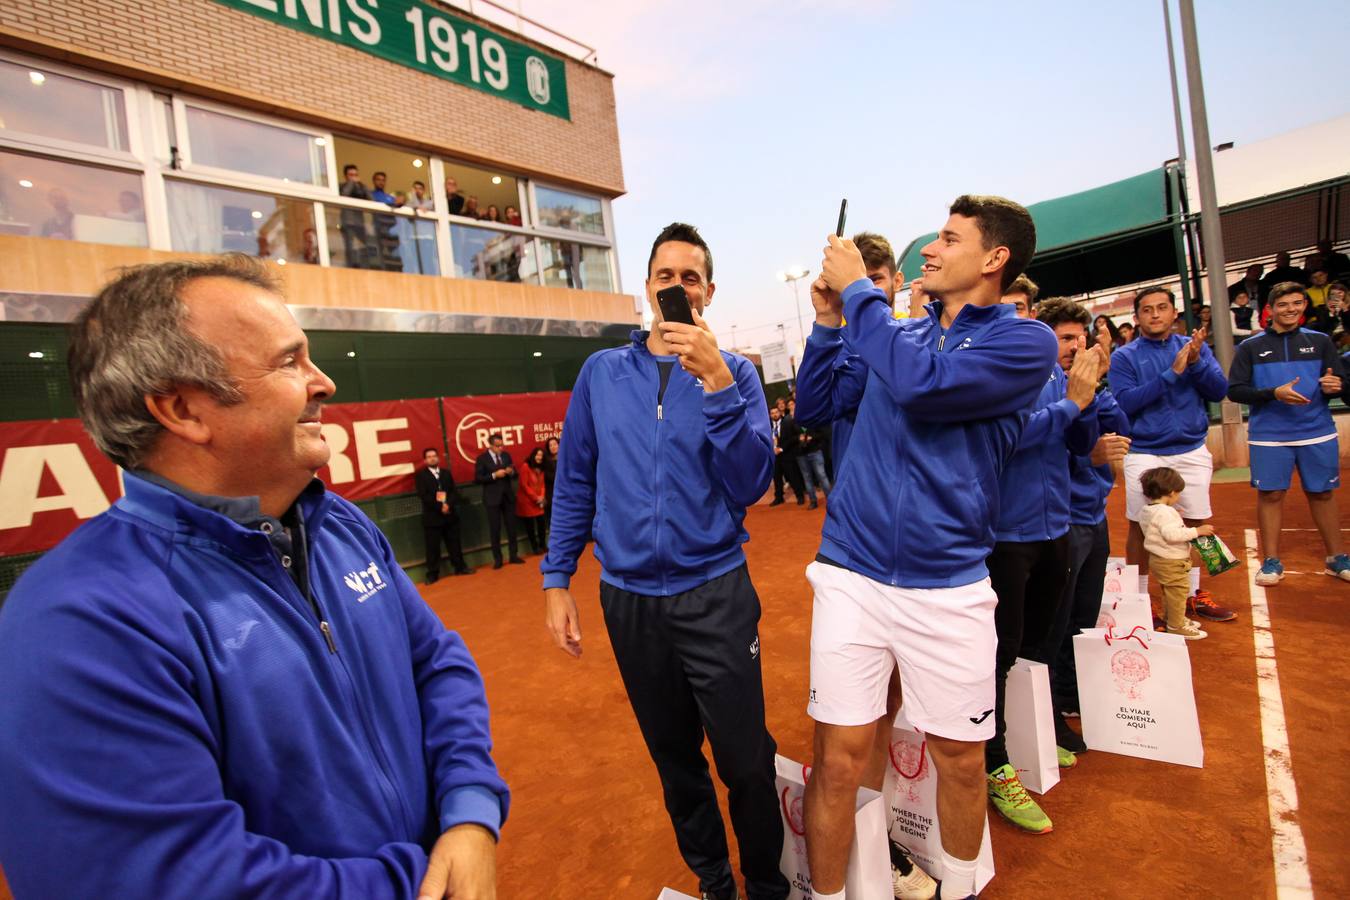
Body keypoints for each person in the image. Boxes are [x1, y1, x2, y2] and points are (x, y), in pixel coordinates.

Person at [0, 255, 508, 898]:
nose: (322, 382)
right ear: (183, 409)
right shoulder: (78, 620)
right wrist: (425, 883)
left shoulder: (340, 525)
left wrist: (468, 812)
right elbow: (163, 882)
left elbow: (436, 663)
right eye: (289, 362)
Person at [797, 196, 1056, 900]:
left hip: (948, 585)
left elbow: (921, 391)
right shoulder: (898, 338)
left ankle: (962, 889)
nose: (930, 252)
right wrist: (828, 323)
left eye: (947, 238)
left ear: (995, 259)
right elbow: (816, 404)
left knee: (961, 762)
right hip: (852, 572)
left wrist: (858, 293)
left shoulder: (1024, 343)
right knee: (838, 760)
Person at [543, 223, 787, 900]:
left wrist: (715, 386)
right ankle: (715, 881)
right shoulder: (601, 374)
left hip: (715, 593)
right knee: (675, 759)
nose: (676, 287)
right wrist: (557, 578)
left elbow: (751, 484)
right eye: (664, 275)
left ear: (707, 291)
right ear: (645, 288)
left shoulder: (735, 372)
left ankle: (766, 881)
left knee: (745, 761)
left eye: (689, 277)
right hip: (629, 602)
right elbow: (576, 479)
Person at [984, 298, 1106, 834]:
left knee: (1038, 643)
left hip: (1056, 527)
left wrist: (1087, 394)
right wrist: (1071, 404)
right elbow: (1000, 443)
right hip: (1004, 536)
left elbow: (1081, 445)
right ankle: (994, 762)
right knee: (998, 652)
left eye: (1023, 309)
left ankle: (1037, 730)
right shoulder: (993, 369)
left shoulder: (1057, 377)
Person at [1109, 286, 1235, 625]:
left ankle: (1192, 596)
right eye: (1147, 310)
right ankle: (1139, 599)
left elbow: (1219, 390)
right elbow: (1125, 402)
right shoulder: (1124, 356)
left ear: (1173, 314)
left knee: (1194, 524)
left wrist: (1194, 365)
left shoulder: (1194, 348)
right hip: (1145, 452)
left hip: (1191, 449)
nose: (1154, 314)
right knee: (1140, 526)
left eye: (1161, 307)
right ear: (1136, 318)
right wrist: (1172, 374)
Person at [1226, 283, 1350, 584]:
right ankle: (1271, 562)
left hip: (1317, 431)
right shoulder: (1249, 347)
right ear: (1270, 310)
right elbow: (1236, 391)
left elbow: (1341, 384)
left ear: (1304, 306)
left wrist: (1339, 387)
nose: (1291, 309)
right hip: (1269, 434)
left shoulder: (1321, 342)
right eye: (1284, 304)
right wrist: (1274, 393)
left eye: (1297, 303)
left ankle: (1336, 558)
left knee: (1322, 493)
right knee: (1271, 494)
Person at [797, 231, 902, 482]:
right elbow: (810, 413)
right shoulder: (837, 340)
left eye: (874, 279)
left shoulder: (919, 334)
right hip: (857, 495)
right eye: (856, 280)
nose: (864, 288)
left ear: (897, 281)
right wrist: (825, 322)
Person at [1138, 467, 1213, 639]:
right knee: (1178, 593)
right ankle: (1176, 626)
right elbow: (1171, 535)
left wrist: (1174, 517)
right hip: (1172, 561)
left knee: (1169, 592)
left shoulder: (1148, 509)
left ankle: (1170, 618)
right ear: (1171, 493)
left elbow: (1159, 527)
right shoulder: (1166, 512)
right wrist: (1197, 531)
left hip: (1158, 560)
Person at [416, 446, 474, 582]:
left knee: (455, 543)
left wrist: (448, 505)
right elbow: (423, 495)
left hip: (450, 516)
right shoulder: (421, 476)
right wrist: (439, 507)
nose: (432, 458)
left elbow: (453, 491)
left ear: (438, 458)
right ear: (425, 460)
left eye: (434, 456)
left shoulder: (446, 473)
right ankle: (432, 574)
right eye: (429, 456)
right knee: (432, 547)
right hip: (432, 517)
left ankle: (460, 567)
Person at [475, 433, 523, 568]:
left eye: (502, 445)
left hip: (508, 497)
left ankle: (513, 555)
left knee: (511, 527)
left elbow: (515, 474)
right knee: (495, 529)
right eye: (497, 446)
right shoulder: (482, 459)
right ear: (490, 445)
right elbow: (478, 478)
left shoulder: (506, 455)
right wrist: (494, 475)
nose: (500, 448)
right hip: (492, 498)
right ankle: (498, 559)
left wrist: (511, 472)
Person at [768, 404, 805, 506]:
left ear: (779, 413)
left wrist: (781, 448)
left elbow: (794, 437)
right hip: (775, 457)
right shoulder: (768, 426)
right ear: (770, 415)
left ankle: (800, 496)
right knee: (777, 478)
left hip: (787, 455)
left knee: (793, 477)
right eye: (772, 413)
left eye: (776, 412)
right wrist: (773, 450)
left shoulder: (788, 422)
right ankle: (779, 497)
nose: (774, 415)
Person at [339, 163, 372, 268]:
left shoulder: (361, 187)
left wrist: (361, 185)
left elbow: (371, 200)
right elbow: (344, 195)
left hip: (360, 222)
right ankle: (351, 265)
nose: (353, 177)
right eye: (351, 175)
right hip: (348, 221)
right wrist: (351, 183)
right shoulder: (342, 186)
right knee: (350, 246)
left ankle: (365, 266)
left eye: (355, 175)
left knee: (364, 246)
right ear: (345, 176)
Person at [516, 446, 548, 554]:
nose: (539, 457)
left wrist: (542, 497)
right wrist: (536, 498)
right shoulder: (525, 466)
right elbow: (524, 485)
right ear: (533, 455)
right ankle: (535, 548)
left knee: (541, 524)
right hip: (527, 502)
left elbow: (543, 484)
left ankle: (543, 545)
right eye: (538, 455)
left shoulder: (542, 468)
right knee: (530, 526)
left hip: (539, 502)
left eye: (541, 456)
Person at [543, 434, 560, 530]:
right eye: (550, 445)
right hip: (552, 495)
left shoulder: (565, 457)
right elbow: (550, 477)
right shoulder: (546, 461)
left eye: (555, 444)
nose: (553, 447)